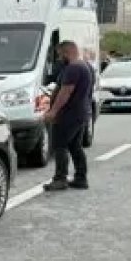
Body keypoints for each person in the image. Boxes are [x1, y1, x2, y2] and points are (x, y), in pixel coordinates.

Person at [44, 41, 93, 191]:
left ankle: (60, 179)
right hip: (80, 113)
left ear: (67, 52)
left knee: (60, 146)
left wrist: (53, 112)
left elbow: (65, 92)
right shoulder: (85, 66)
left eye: (60, 54)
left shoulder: (73, 68)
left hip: (68, 115)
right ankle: (80, 178)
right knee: (75, 146)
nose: (59, 58)